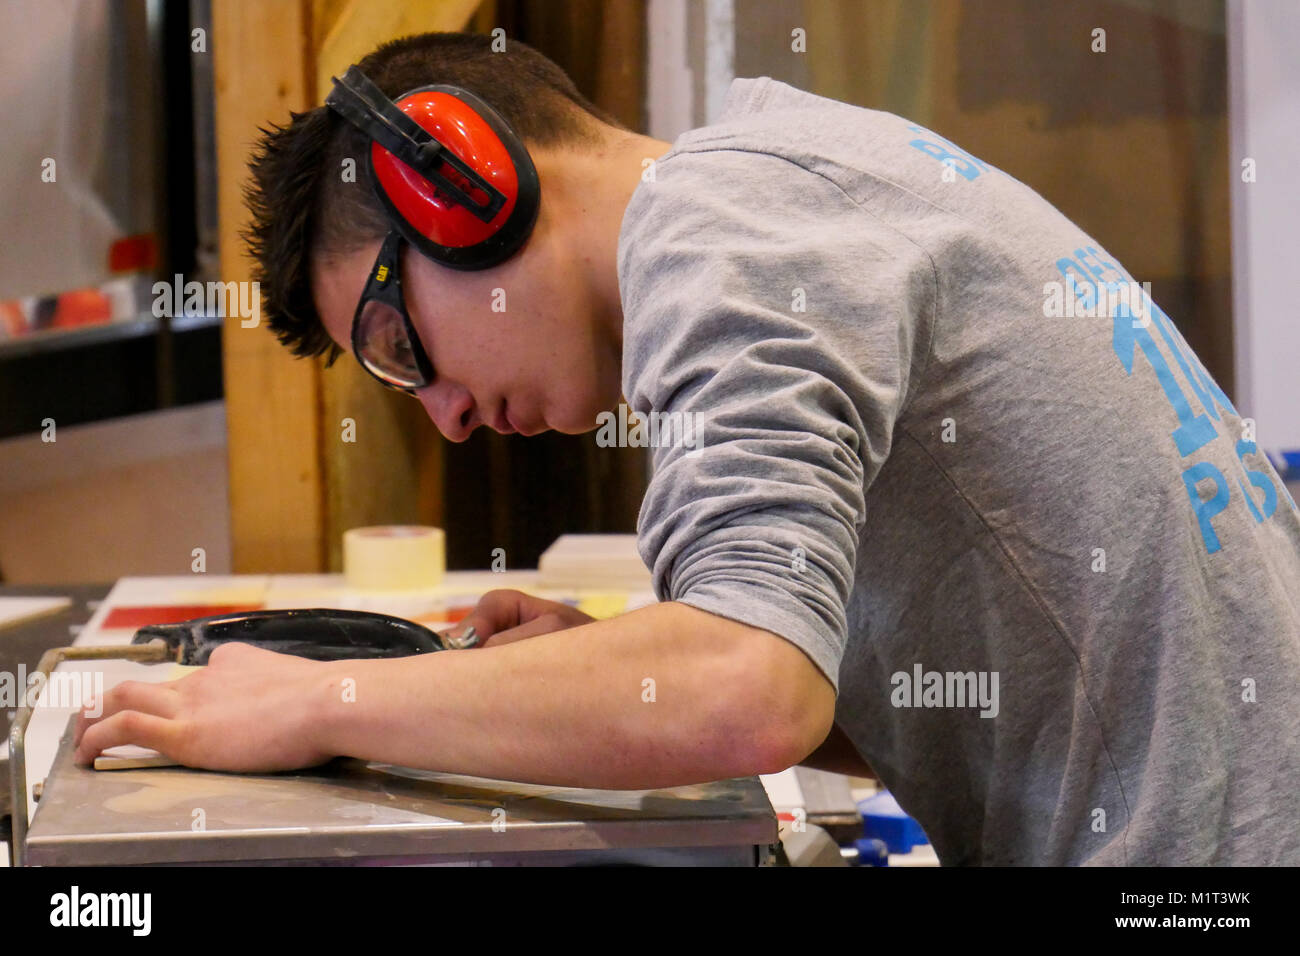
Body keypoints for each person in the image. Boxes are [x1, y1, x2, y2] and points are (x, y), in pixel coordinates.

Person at [76, 32, 1300, 866]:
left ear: (465, 180)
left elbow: (744, 690)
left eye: (398, 342)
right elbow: (960, 696)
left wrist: (316, 698)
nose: (440, 412)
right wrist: (592, 676)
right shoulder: (787, 183)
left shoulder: (718, 241)